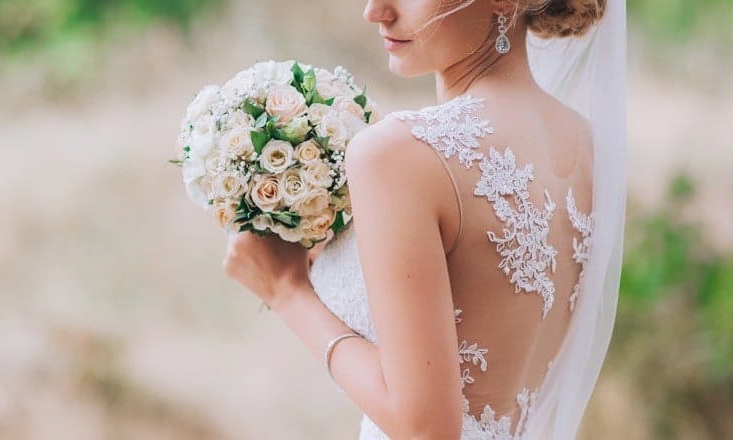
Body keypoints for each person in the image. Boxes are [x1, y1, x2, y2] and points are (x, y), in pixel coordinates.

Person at [222, 0, 626, 438]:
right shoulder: (587, 145)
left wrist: (287, 293)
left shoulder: (400, 153)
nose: (375, 11)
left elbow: (427, 430)